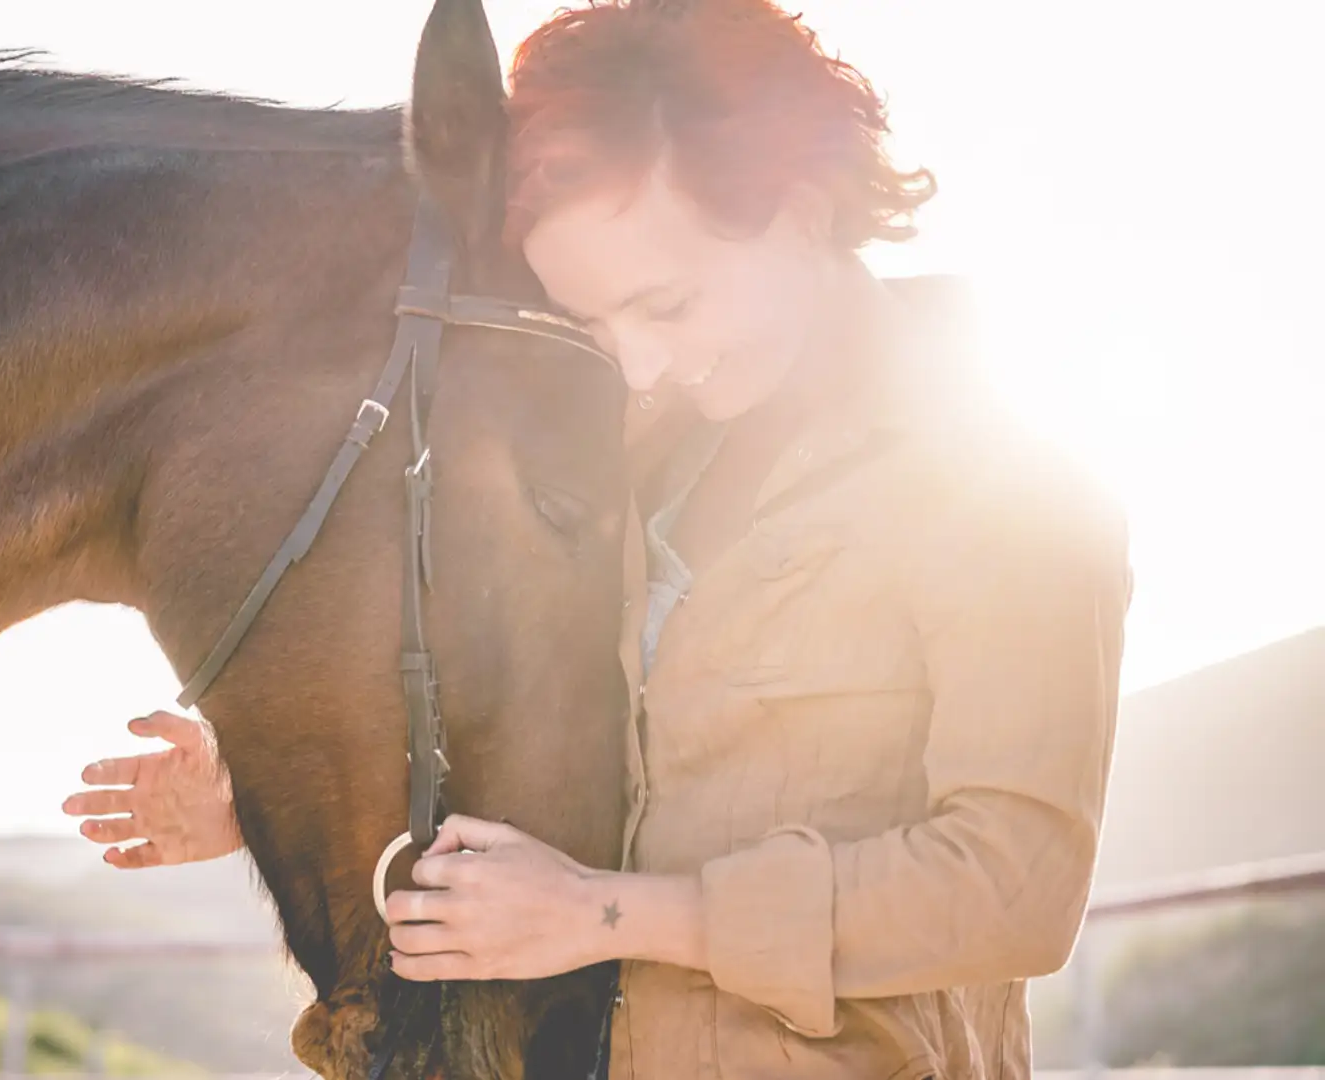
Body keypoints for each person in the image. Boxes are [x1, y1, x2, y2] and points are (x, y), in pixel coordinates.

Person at [62, 2, 1133, 1077]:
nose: (640, 367)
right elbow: (545, 759)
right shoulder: (631, 454)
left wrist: (610, 917)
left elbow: (1017, 886)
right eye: (598, 324)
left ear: (802, 208)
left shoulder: (1002, 470)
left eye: (666, 303)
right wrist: (257, 798)